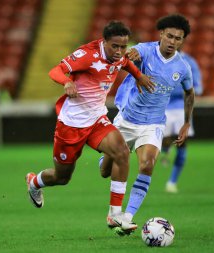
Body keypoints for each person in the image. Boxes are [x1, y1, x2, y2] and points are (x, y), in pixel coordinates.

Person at [24, 21, 155, 234]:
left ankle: (114, 214)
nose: (120, 51)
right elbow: (55, 70)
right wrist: (66, 82)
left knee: (122, 152)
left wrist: (138, 75)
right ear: (104, 42)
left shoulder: (119, 54)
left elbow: (124, 63)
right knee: (62, 178)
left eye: (123, 47)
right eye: (115, 46)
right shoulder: (87, 54)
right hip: (71, 125)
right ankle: (34, 182)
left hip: (96, 119)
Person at [99, 14, 195, 234]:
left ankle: (125, 217)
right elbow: (131, 54)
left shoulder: (182, 67)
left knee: (147, 165)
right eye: (169, 36)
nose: (172, 42)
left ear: (182, 41)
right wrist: (131, 55)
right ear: (161, 34)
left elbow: (189, 94)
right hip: (127, 119)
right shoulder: (145, 50)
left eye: (178, 39)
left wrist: (186, 123)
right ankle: (105, 160)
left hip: (152, 124)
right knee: (105, 171)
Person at [161, 49, 203, 193]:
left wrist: (183, 90)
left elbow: (198, 87)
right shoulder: (158, 59)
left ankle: (172, 182)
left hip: (181, 107)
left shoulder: (189, 62)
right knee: (163, 140)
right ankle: (165, 150)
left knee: (182, 143)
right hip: (162, 106)